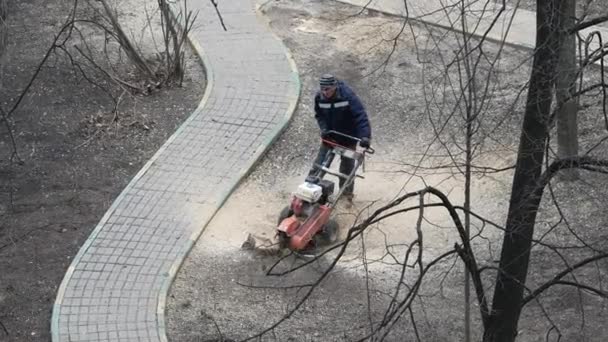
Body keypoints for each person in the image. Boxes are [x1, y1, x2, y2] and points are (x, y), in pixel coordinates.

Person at [308, 74, 372, 201]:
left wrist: (365, 136)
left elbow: (360, 116)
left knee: (346, 170)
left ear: (335, 87)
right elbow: (319, 115)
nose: (325, 92)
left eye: (328, 89)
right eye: (322, 89)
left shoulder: (347, 96)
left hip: (348, 138)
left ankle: (346, 196)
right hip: (330, 136)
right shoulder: (319, 97)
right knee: (319, 164)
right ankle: (309, 187)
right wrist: (324, 129)